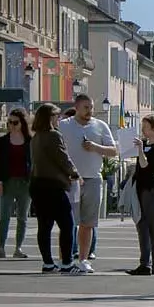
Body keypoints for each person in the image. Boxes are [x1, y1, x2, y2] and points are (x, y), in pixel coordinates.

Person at [56, 93, 118, 274]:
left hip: (92, 178)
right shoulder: (64, 126)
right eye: (86, 108)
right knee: (67, 223)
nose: (89, 111)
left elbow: (114, 151)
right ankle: (64, 259)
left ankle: (83, 259)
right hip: (70, 180)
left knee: (87, 222)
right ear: (76, 107)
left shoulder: (100, 126)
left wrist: (96, 147)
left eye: (91, 107)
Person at [29, 103, 80, 273]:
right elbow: (62, 157)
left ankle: (48, 263)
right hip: (53, 185)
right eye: (57, 116)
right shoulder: (53, 136)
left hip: (37, 184)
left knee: (44, 225)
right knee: (67, 224)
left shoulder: (36, 137)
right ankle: (67, 263)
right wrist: (74, 173)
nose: (59, 119)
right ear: (50, 118)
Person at [0, 107, 32, 260]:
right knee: (4, 216)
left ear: (22, 123)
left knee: (22, 217)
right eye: (9, 122)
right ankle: (0, 247)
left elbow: (34, 163)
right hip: (7, 182)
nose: (11, 125)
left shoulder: (30, 141)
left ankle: (18, 248)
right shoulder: (4, 141)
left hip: (25, 184)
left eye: (15, 122)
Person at [127, 113, 154, 276]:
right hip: (139, 188)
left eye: (146, 127)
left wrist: (140, 150)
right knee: (140, 224)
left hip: (151, 189)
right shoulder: (143, 143)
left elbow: (146, 166)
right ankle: (144, 263)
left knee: (152, 226)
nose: (143, 130)